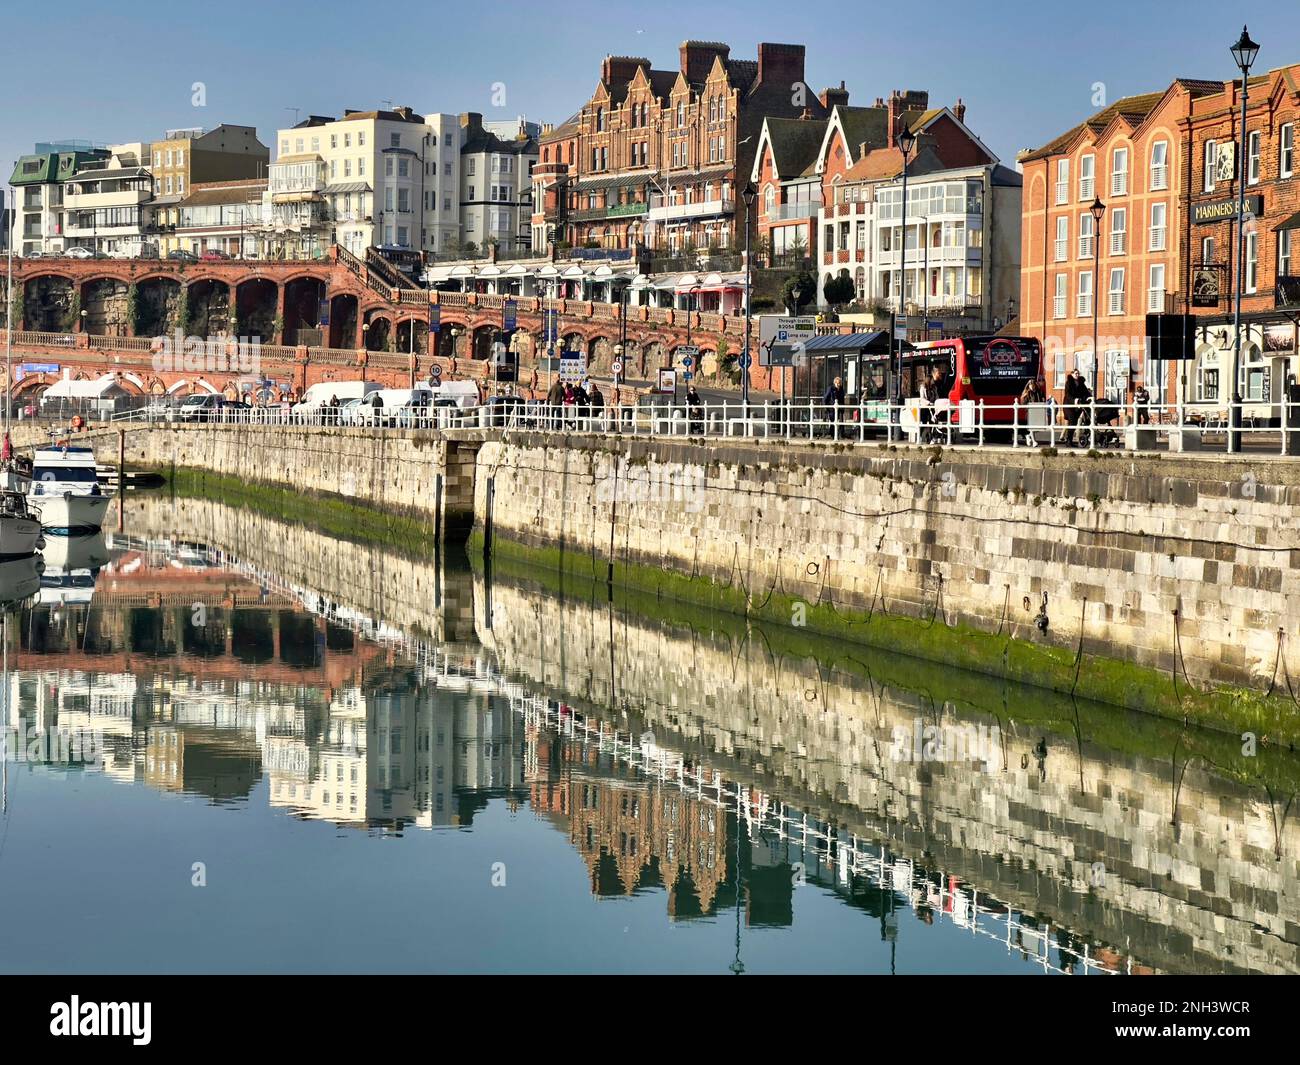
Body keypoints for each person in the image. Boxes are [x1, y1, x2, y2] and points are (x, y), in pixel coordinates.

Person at [1063, 367, 1090, 445]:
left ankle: (1069, 440)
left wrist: (1090, 397)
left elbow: (1086, 392)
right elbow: (1067, 394)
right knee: (1072, 420)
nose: (1077, 375)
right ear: (1072, 374)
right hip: (1069, 405)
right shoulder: (1069, 383)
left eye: (1078, 373)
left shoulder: (1081, 383)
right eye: (1075, 373)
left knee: (1074, 423)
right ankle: (1068, 440)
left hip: (1077, 406)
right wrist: (1074, 400)